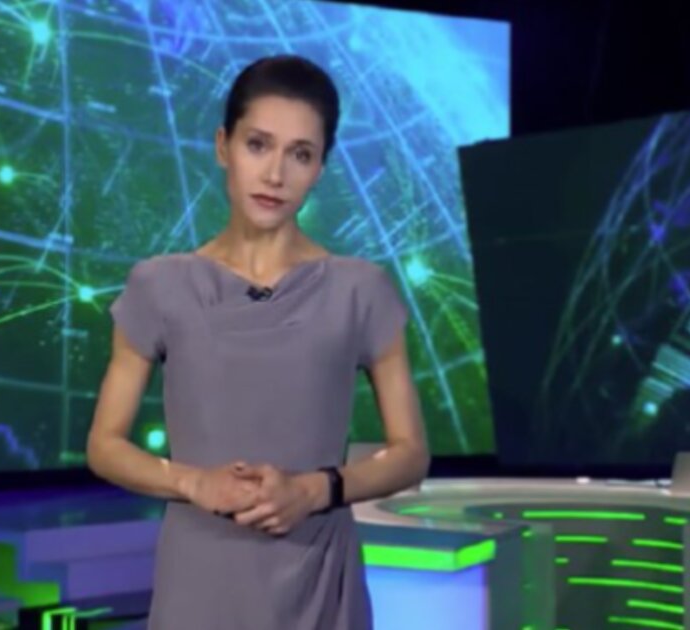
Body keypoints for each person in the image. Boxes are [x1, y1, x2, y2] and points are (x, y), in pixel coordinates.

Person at [86, 54, 430, 630]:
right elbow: (104, 445)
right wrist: (193, 481)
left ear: (320, 168)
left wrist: (315, 490)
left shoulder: (361, 290)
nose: (275, 174)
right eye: (258, 145)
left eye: (300, 154)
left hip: (319, 584)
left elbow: (411, 452)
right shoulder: (160, 285)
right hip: (200, 585)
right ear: (224, 146)